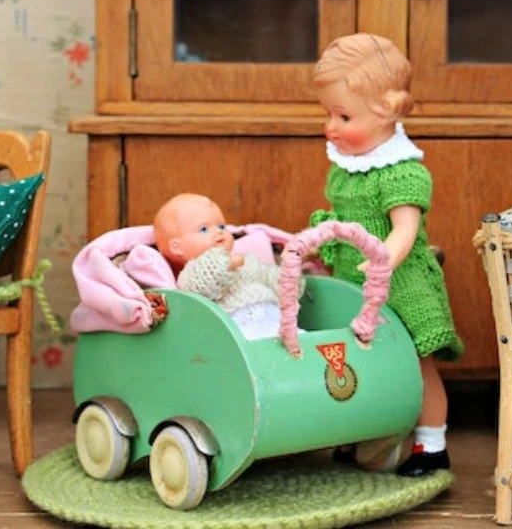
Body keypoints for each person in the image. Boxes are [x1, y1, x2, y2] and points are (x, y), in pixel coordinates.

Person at [310, 33, 463, 477]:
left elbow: (405, 229)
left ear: (385, 113)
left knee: (416, 363)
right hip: (352, 283)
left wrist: (383, 259)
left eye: (343, 116)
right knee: (360, 360)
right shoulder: (346, 167)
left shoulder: (402, 172)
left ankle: (432, 443)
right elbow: (341, 218)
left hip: (400, 286)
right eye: (328, 114)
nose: (332, 127)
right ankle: (366, 433)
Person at [153, 193, 300, 341]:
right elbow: (204, 281)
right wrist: (225, 263)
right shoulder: (190, 273)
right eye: (204, 229)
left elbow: (279, 285)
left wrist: (291, 268)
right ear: (177, 247)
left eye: (222, 226)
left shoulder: (249, 260)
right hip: (237, 328)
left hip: (276, 319)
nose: (219, 231)